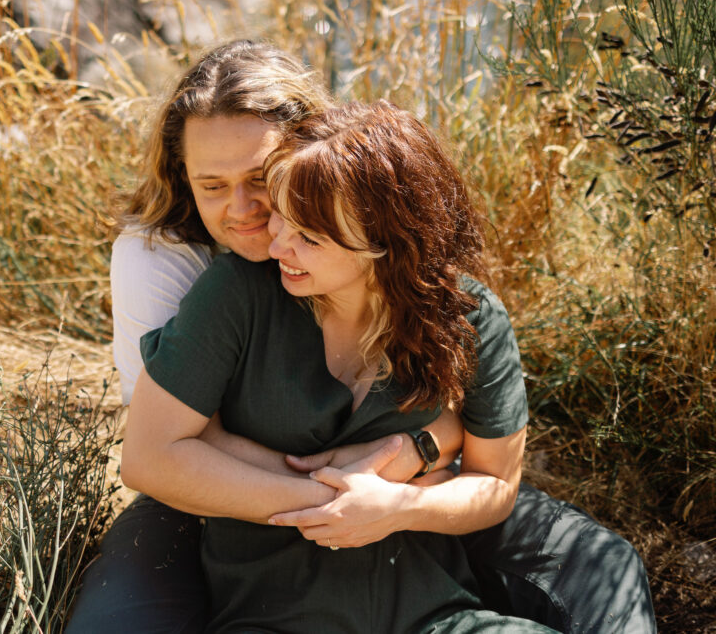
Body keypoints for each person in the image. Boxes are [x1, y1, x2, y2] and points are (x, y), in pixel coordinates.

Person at [64, 40, 654, 633]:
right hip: (242, 552)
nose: (254, 220)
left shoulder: (460, 307)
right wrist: (343, 497)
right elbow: (162, 449)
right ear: (185, 178)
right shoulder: (184, 269)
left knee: (607, 571)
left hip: (424, 592)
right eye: (212, 184)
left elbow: (491, 469)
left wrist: (402, 486)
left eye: (264, 180)